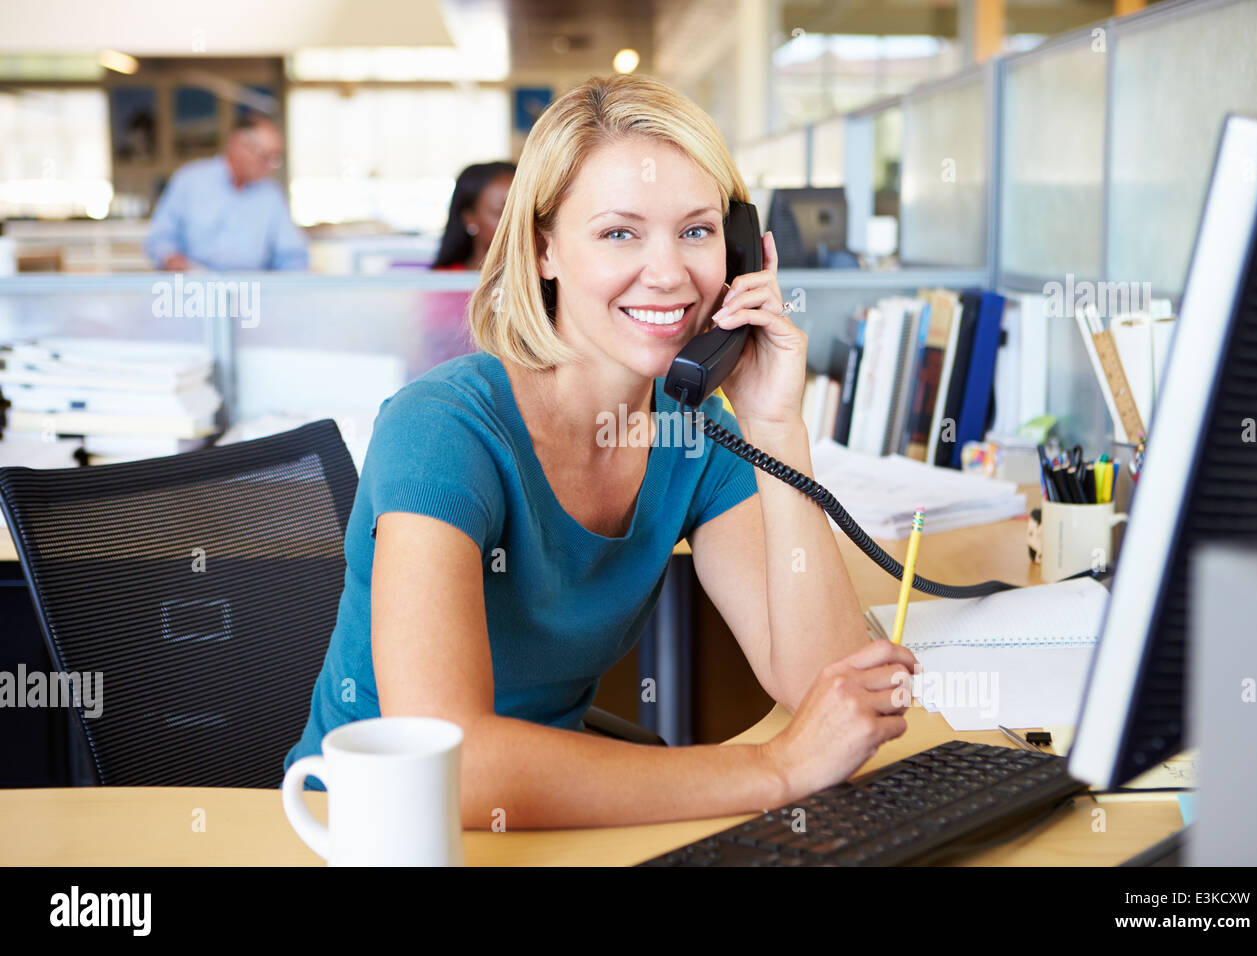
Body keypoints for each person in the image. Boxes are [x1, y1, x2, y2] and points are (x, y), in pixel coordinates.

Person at [284, 74, 917, 828]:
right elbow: (448, 764)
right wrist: (776, 769)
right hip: (373, 832)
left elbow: (830, 690)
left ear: (741, 247)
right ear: (543, 249)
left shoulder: (697, 433)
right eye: (620, 232)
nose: (670, 273)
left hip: (554, 817)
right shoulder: (444, 431)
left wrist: (777, 426)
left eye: (697, 230)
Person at [144, 112, 308, 271]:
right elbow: (160, 238)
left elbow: (292, 255)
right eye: (263, 156)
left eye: (275, 158)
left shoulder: (271, 195)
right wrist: (171, 258)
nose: (269, 167)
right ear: (237, 145)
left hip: (253, 291)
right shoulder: (189, 180)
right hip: (193, 288)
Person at [432, 161, 516, 270]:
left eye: (524, 212)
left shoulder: (539, 279)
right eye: (500, 213)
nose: (517, 222)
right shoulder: (443, 282)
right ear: (469, 218)